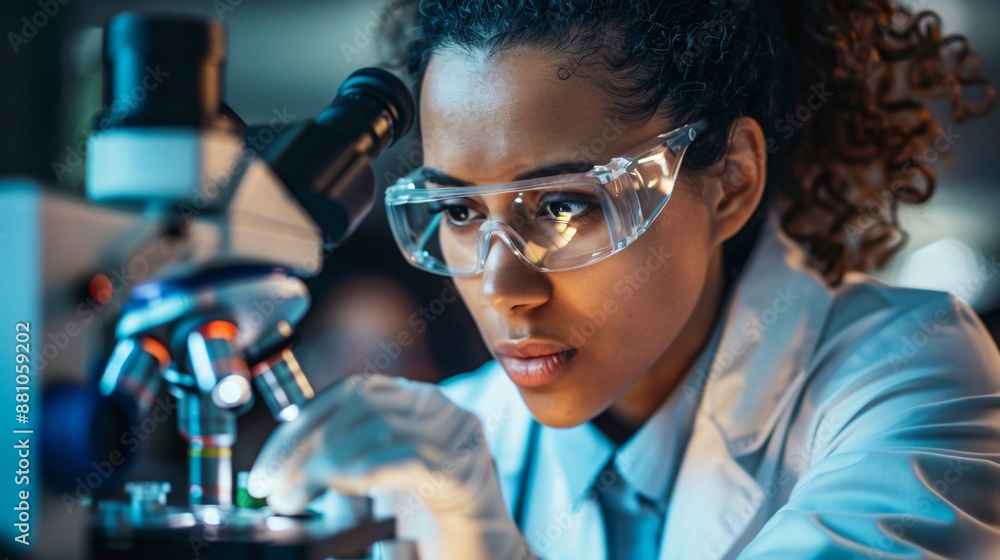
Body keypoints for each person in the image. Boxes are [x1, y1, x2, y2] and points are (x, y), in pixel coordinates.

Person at [249, 1, 1000, 558]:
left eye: (563, 205)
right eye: (460, 212)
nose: (504, 287)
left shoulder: (915, 376)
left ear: (732, 182)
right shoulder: (446, 447)